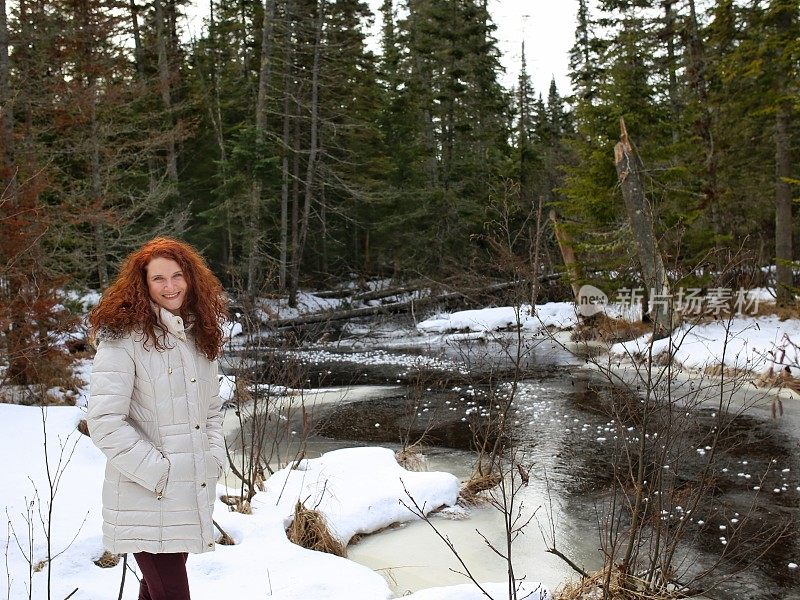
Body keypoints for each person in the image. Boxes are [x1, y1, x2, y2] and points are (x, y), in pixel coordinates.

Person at [87, 237, 229, 600]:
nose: (171, 286)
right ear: (143, 284)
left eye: (177, 276)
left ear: (191, 279)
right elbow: (105, 422)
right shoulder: (123, 339)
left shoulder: (199, 335)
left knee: (156, 592)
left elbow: (211, 411)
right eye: (159, 279)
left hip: (188, 491)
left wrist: (211, 459)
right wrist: (161, 473)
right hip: (148, 495)